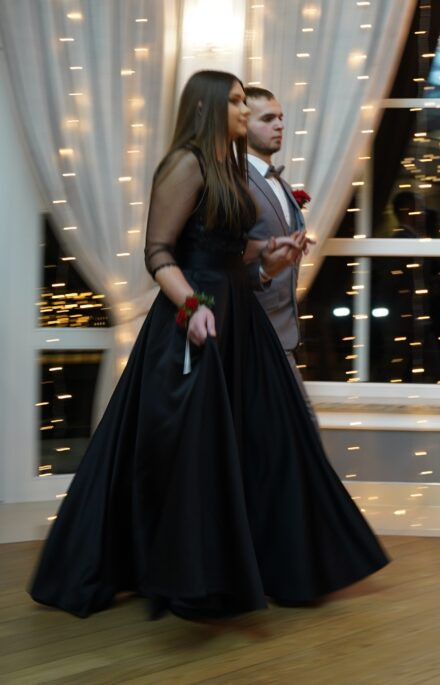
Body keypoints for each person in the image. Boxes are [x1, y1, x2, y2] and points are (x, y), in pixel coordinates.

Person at [29, 70, 388, 620]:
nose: (245, 109)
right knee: (194, 451)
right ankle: (190, 575)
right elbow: (158, 253)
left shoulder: (226, 168)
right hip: (196, 318)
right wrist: (192, 307)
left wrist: (269, 253)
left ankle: (280, 566)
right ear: (209, 106)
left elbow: (227, 250)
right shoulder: (184, 164)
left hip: (240, 316)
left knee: (272, 438)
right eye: (239, 101)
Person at [243, 86, 316, 416]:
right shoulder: (235, 182)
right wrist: (263, 270)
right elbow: (221, 257)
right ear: (242, 124)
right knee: (301, 429)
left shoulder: (281, 184)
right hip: (250, 335)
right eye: (268, 118)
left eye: (281, 118)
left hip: (281, 335)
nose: (280, 125)